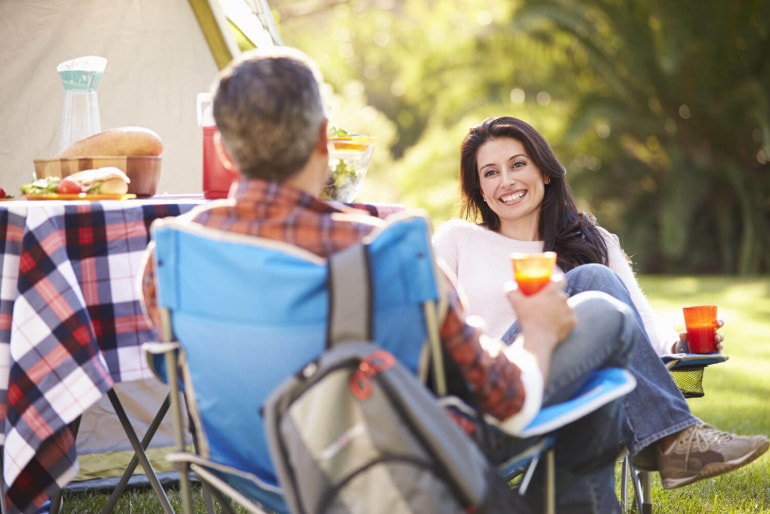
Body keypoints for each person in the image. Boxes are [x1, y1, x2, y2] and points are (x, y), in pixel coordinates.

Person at [137, 47, 647, 512]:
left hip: (248, 470)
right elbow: (507, 402)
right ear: (323, 138)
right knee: (605, 320)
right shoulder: (388, 251)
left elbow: (175, 369)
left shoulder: (172, 254)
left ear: (225, 150)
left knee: (593, 394)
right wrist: (536, 331)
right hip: (392, 462)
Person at [432, 115, 769, 491]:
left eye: (517, 164)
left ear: (544, 171)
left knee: (596, 288)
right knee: (590, 279)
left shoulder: (594, 241)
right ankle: (678, 441)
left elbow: (639, 325)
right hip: (494, 394)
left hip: (571, 396)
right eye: (490, 172)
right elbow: (434, 332)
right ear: (479, 188)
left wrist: (680, 346)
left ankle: (675, 443)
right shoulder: (457, 240)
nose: (506, 181)